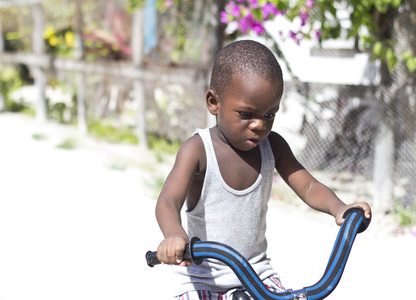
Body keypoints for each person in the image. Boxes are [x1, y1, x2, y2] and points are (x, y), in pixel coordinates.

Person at [154, 39, 372, 300]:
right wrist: (175, 236)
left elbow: (309, 186)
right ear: (214, 102)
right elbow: (168, 200)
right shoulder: (197, 150)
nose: (259, 124)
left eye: (269, 115)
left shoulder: (273, 146)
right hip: (203, 279)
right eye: (247, 114)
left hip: (257, 275)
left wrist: (340, 208)